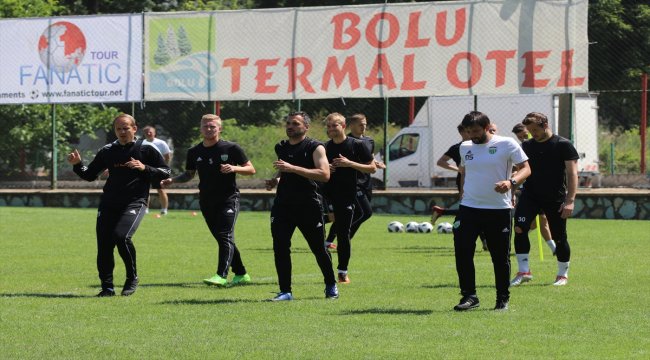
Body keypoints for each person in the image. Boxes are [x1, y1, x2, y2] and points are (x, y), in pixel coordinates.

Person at [67, 114, 171, 297]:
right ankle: (107, 287)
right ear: (115, 130)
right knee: (105, 244)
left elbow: (165, 172)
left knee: (121, 237)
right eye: (118, 129)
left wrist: (144, 168)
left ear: (134, 129)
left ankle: (132, 278)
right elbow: (90, 175)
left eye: (126, 128)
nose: (122, 132)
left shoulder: (146, 149)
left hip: (135, 202)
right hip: (109, 204)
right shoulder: (107, 150)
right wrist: (78, 165)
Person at [161, 114, 255, 287]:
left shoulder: (231, 148)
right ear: (201, 128)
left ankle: (221, 275)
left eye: (212, 126)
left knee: (225, 235)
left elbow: (251, 169)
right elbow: (189, 174)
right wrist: (172, 180)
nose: (209, 129)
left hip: (228, 199)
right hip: (206, 201)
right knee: (223, 238)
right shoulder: (194, 152)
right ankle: (241, 273)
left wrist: (234, 168)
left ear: (219, 128)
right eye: (206, 126)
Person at [452, 111, 530, 311]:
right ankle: (469, 296)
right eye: (468, 131)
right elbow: (464, 171)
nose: (472, 135)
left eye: (476, 131)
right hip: (469, 208)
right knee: (462, 252)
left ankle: (502, 298)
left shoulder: (507, 144)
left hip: (498, 209)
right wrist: (462, 193)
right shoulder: (465, 147)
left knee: (499, 256)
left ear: (487, 128)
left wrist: (510, 182)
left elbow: (526, 168)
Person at [265, 111, 339, 301]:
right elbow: (284, 172)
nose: (290, 126)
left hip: (308, 206)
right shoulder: (281, 147)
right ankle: (285, 291)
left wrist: (292, 168)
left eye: (295, 124)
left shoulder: (316, 147)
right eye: (288, 123)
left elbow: (324, 174)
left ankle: (330, 283)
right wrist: (276, 180)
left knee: (318, 249)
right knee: (280, 247)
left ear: (306, 127)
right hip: (283, 206)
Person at [510, 112, 579, 287]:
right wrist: (512, 191)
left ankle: (562, 275)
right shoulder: (526, 146)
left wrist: (570, 200)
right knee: (519, 228)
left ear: (545, 125)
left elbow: (572, 174)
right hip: (530, 195)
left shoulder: (563, 145)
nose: (532, 133)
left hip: (554, 198)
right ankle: (524, 271)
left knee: (559, 237)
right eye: (529, 130)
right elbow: (520, 171)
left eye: (535, 129)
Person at [322, 113, 376, 283]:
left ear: (343, 126)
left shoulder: (357, 145)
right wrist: (326, 168)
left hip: (347, 196)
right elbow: (318, 170)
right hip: (327, 196)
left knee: (343, 234)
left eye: (335, 125)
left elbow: (372, 168)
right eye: (329, 126)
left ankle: (342, 271)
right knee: (318, 234)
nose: (331, 129)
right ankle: (326, 269)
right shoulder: (324, 148)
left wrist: (350, 163)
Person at [324, 113, 385, 250]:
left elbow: (368, 160)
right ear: (350, 126)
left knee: (354, 214)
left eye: (365, 124)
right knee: (362, 213)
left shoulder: (368, 141)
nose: (364, 127)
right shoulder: (342, 141)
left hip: (366, 182)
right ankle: (339, 239)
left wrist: (376, 163)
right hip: (352, 185)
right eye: (360, 124)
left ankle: (338, 238)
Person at [432, 124, 488, 251]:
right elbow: (441, 162)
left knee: (476, 209)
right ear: (462, 133)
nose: (472, 134)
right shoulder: (459, 147)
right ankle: (483, 240)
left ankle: (442, 212)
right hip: (465, 179)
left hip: (479, 180)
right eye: (468, 131)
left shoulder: (481, 146)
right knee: (472, 209)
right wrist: (458, 169)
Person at [510, 123, 556, 262]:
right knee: (539, 222)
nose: (523, 139)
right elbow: (518, 168)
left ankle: (554, 248)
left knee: (540, 222)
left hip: (545, 190)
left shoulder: (545, 146)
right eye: (520, 137)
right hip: (529, 192)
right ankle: (554, 249)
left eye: (525, 135)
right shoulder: (522, 149)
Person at [142, 125, 172, 215]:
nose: (148, 133)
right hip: (145, 169)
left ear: (154, 133)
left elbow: (167, 156)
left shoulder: (161, 143)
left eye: (150, 131)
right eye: (146, 132)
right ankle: (145, 209)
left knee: (160, 189)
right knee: (145, 189)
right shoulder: (142, 143)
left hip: (158, 170)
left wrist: (163, 167)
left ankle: (164, 210)